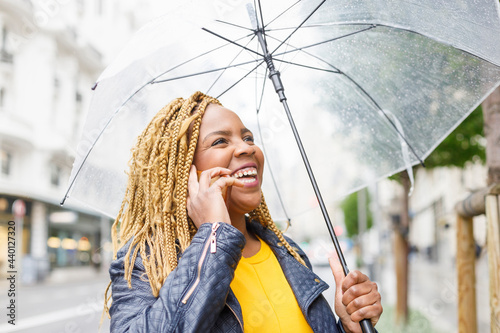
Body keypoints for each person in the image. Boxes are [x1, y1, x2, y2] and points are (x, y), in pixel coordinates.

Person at [105, 92, 383, 332]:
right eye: (220, 142)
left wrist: (349, 327)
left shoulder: (288, 252)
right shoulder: (145, 262)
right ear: (182, 174)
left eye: (248, 137)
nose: (246, 148)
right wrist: (214, 238)